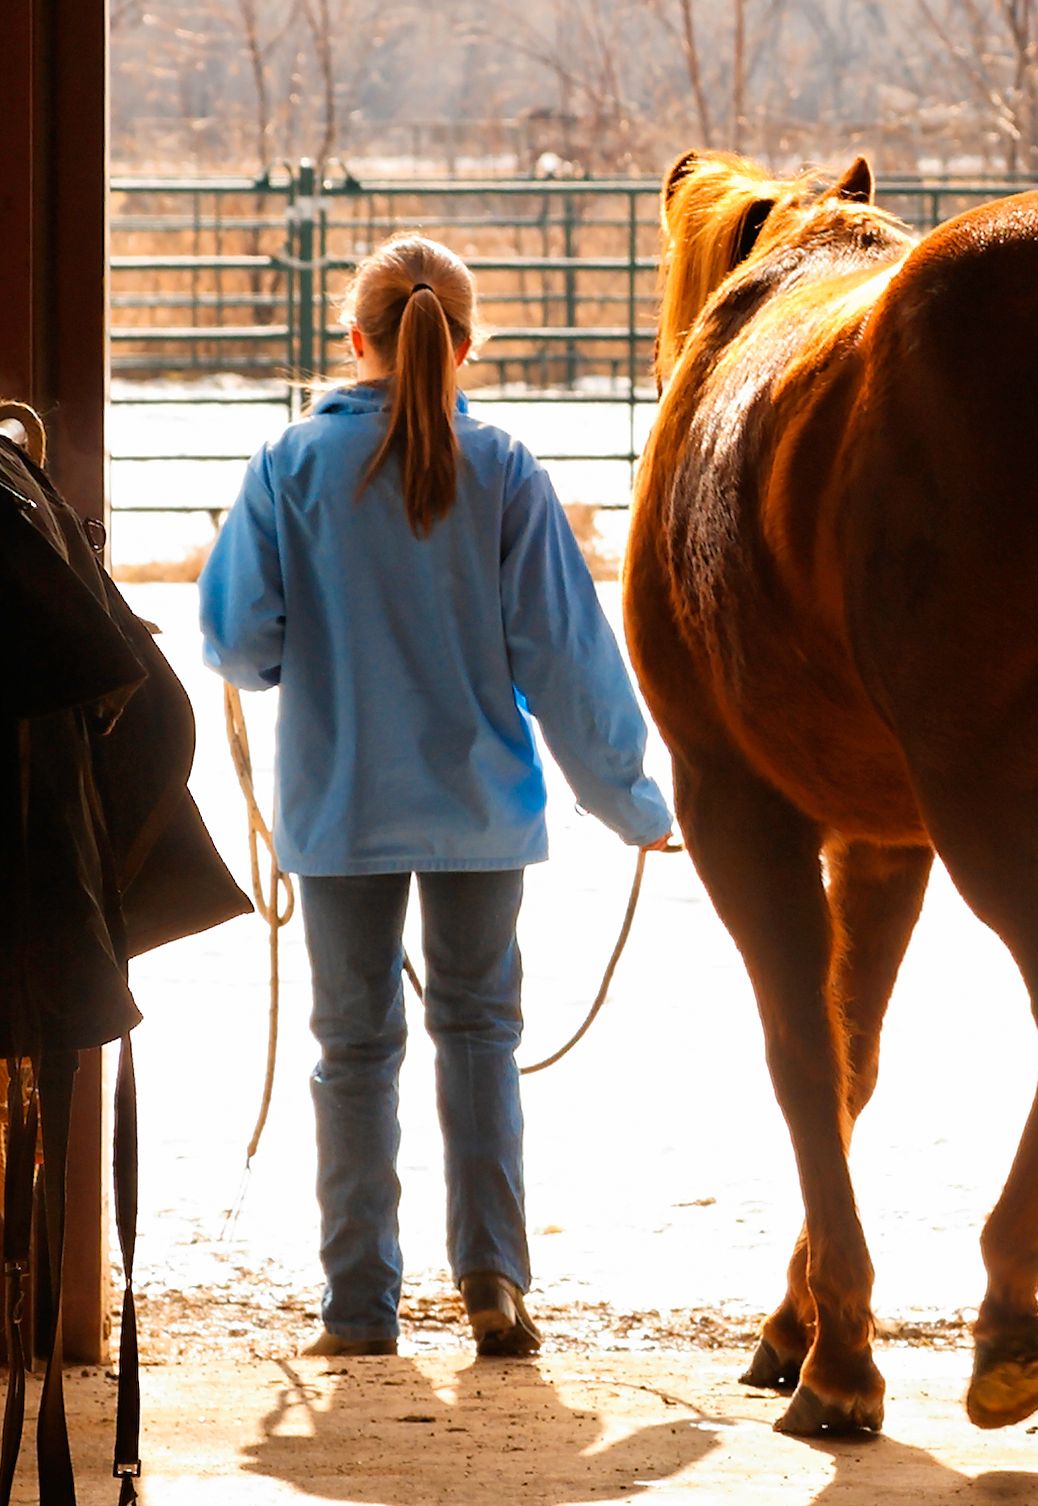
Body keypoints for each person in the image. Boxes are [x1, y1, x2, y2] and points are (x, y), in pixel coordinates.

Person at [199, 234, 673, 1360]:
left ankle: (360, 1308)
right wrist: (635, 801)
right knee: (479, 1035)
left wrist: (295, 654)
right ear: (466, 347)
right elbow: (564, 654)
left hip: (341, 809)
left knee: (353, 1051)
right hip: (479, 812)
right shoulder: (504, 469)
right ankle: (494, 1284)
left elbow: (235, 638)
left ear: (353, 340)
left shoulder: (288, 468)